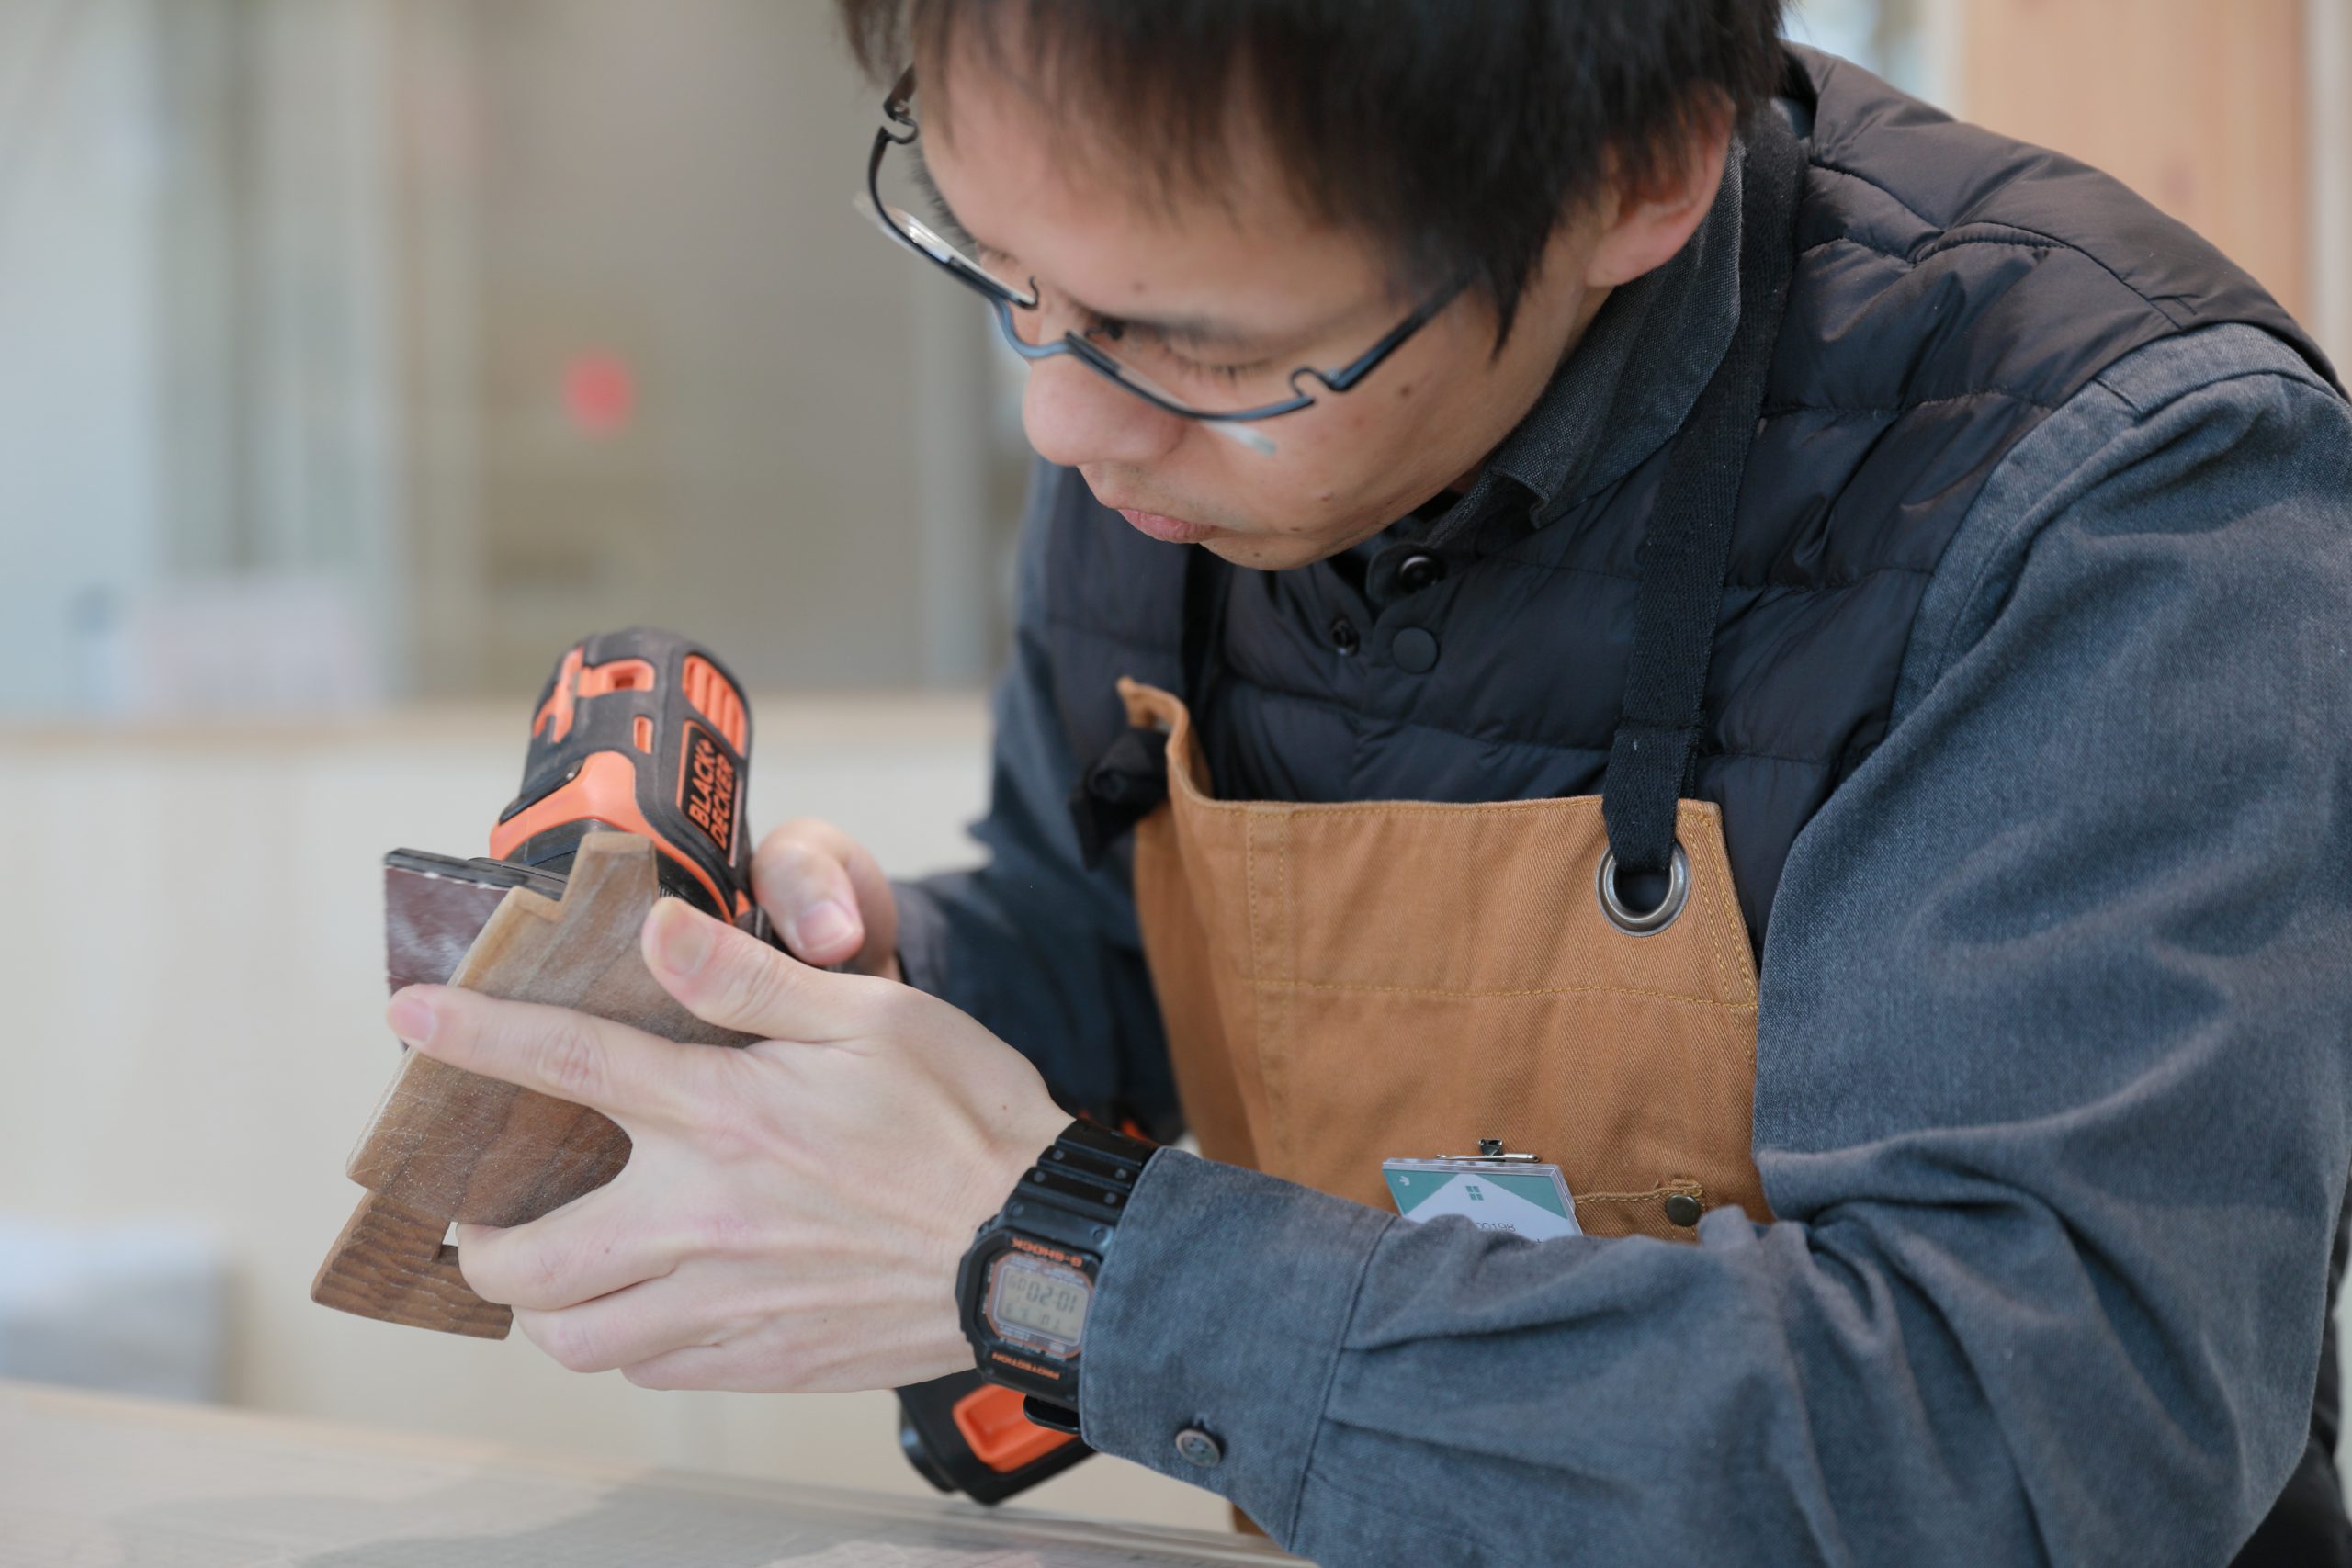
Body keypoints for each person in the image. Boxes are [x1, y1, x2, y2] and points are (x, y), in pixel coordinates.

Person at [381, 4, 2352, 1562]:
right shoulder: (1155, 440)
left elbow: (2028, 1441)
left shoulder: (2118, 497)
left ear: (1634, 178)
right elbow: (1129, 953)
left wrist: (1063, 1260)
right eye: (1001, 270)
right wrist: (886, 989)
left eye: (1191, 341)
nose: (1060, 419)